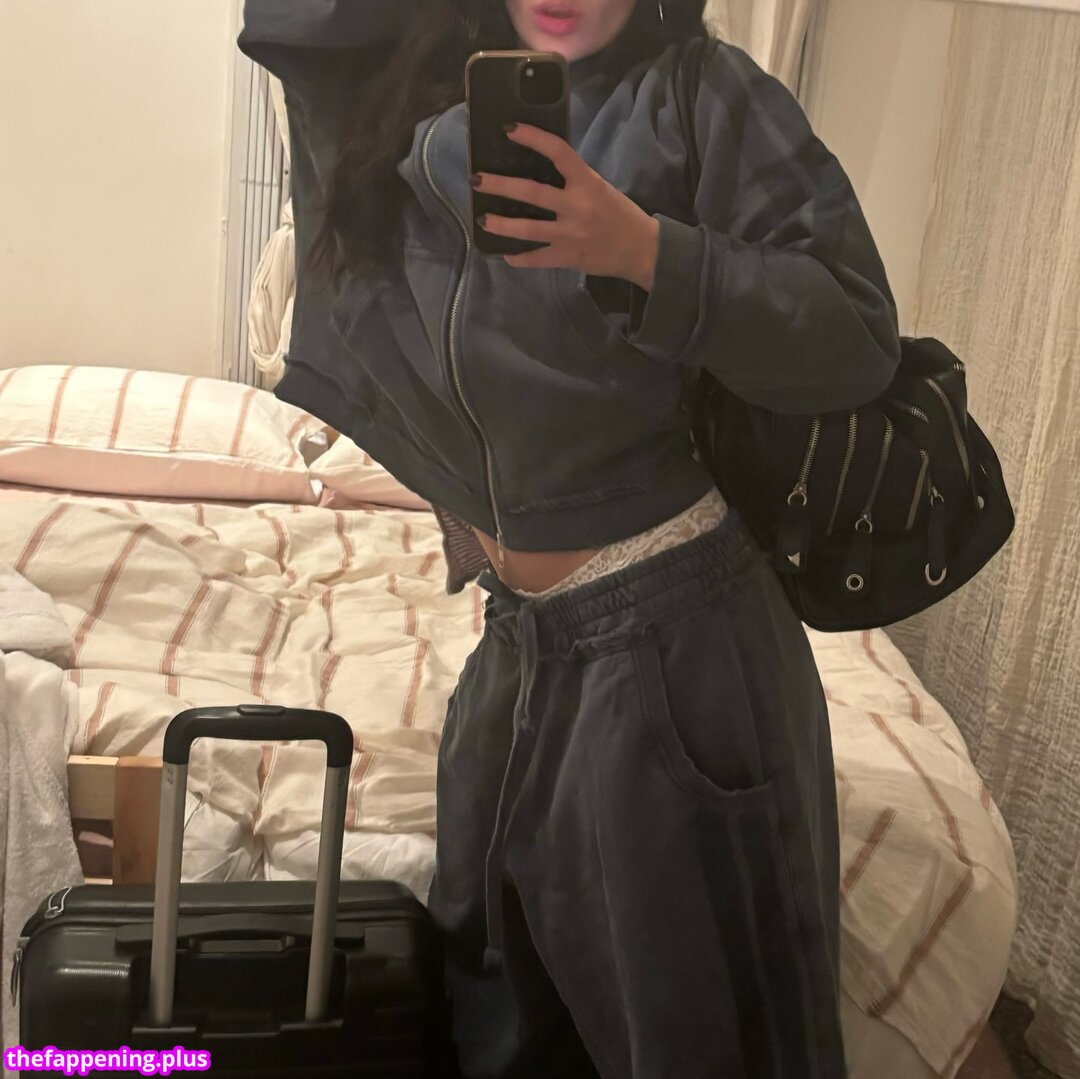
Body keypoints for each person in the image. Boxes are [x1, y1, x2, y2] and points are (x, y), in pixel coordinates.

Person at [240, 1, 901, 1075]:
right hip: (515, 650)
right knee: (499, 1030)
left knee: (697, 1043)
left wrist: (644, 251)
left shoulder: (705, 97)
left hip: (677, 651)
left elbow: (856, 337)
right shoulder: (414, 89)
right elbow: (297, 20)